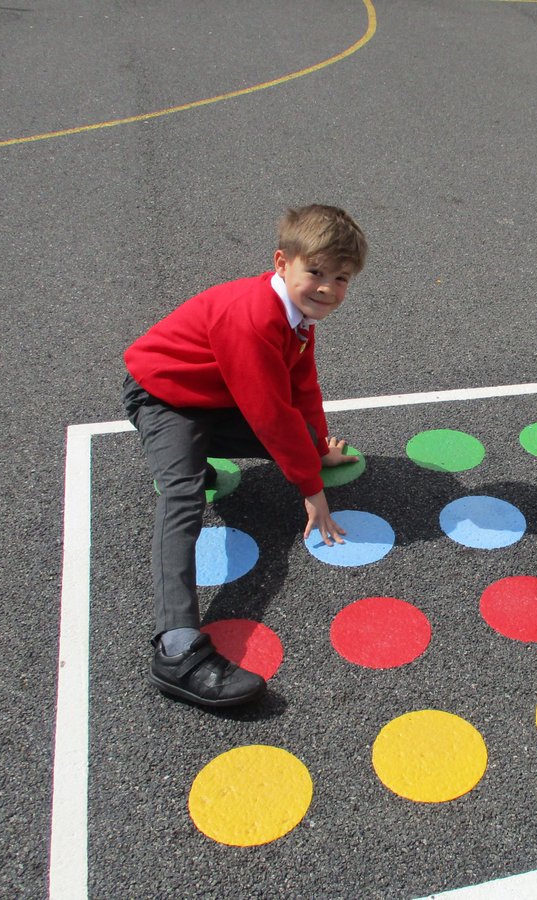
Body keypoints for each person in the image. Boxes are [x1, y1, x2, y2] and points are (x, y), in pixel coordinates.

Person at [122, 204, 367, 708]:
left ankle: (196, 454)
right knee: (185, 496)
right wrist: (311, 490)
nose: (327, 288)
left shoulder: (295, 315)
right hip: (165, 396)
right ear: (282, 263)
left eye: (341, 278)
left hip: (214, 395)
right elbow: (270, 415)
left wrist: (317, 450)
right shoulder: (253, 317)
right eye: (315, 272)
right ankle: (175, 648)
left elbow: (301, 387)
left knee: (292, 435)